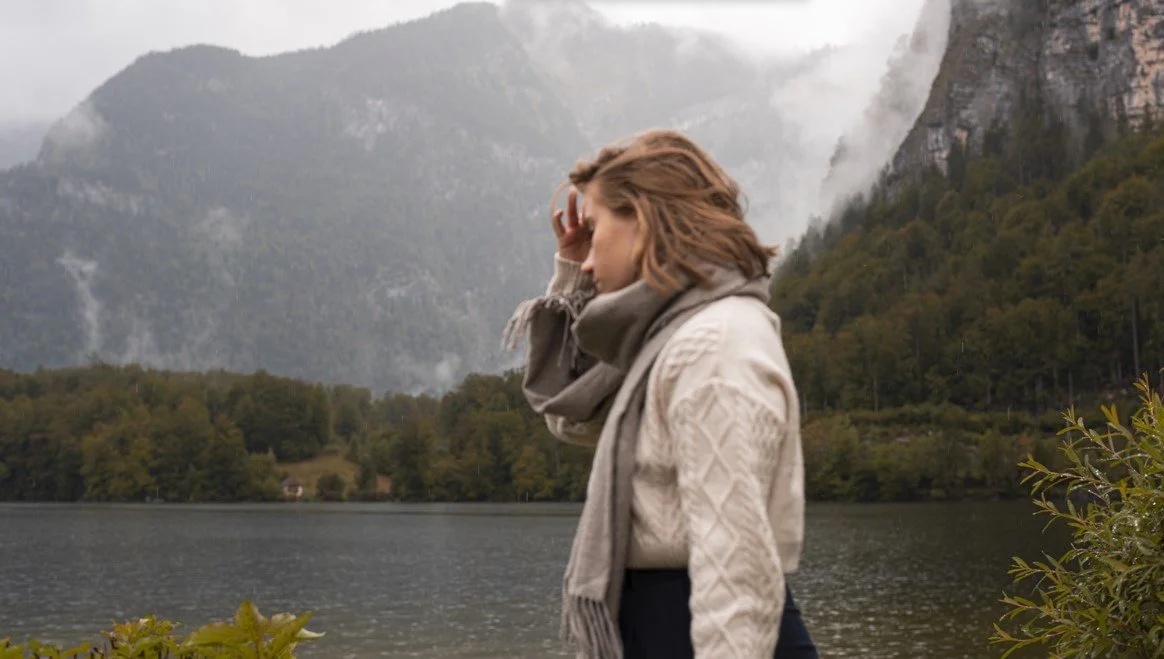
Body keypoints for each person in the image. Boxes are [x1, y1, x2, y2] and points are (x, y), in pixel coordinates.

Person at [502, 129, 816, 659]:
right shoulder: (670, 336)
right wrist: (574, 280)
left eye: (596, 228)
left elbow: (736, 568)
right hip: (665, 623)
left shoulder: (713, 346)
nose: (585, 258)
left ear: (642, 224)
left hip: (697, 627)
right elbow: (573, 416)